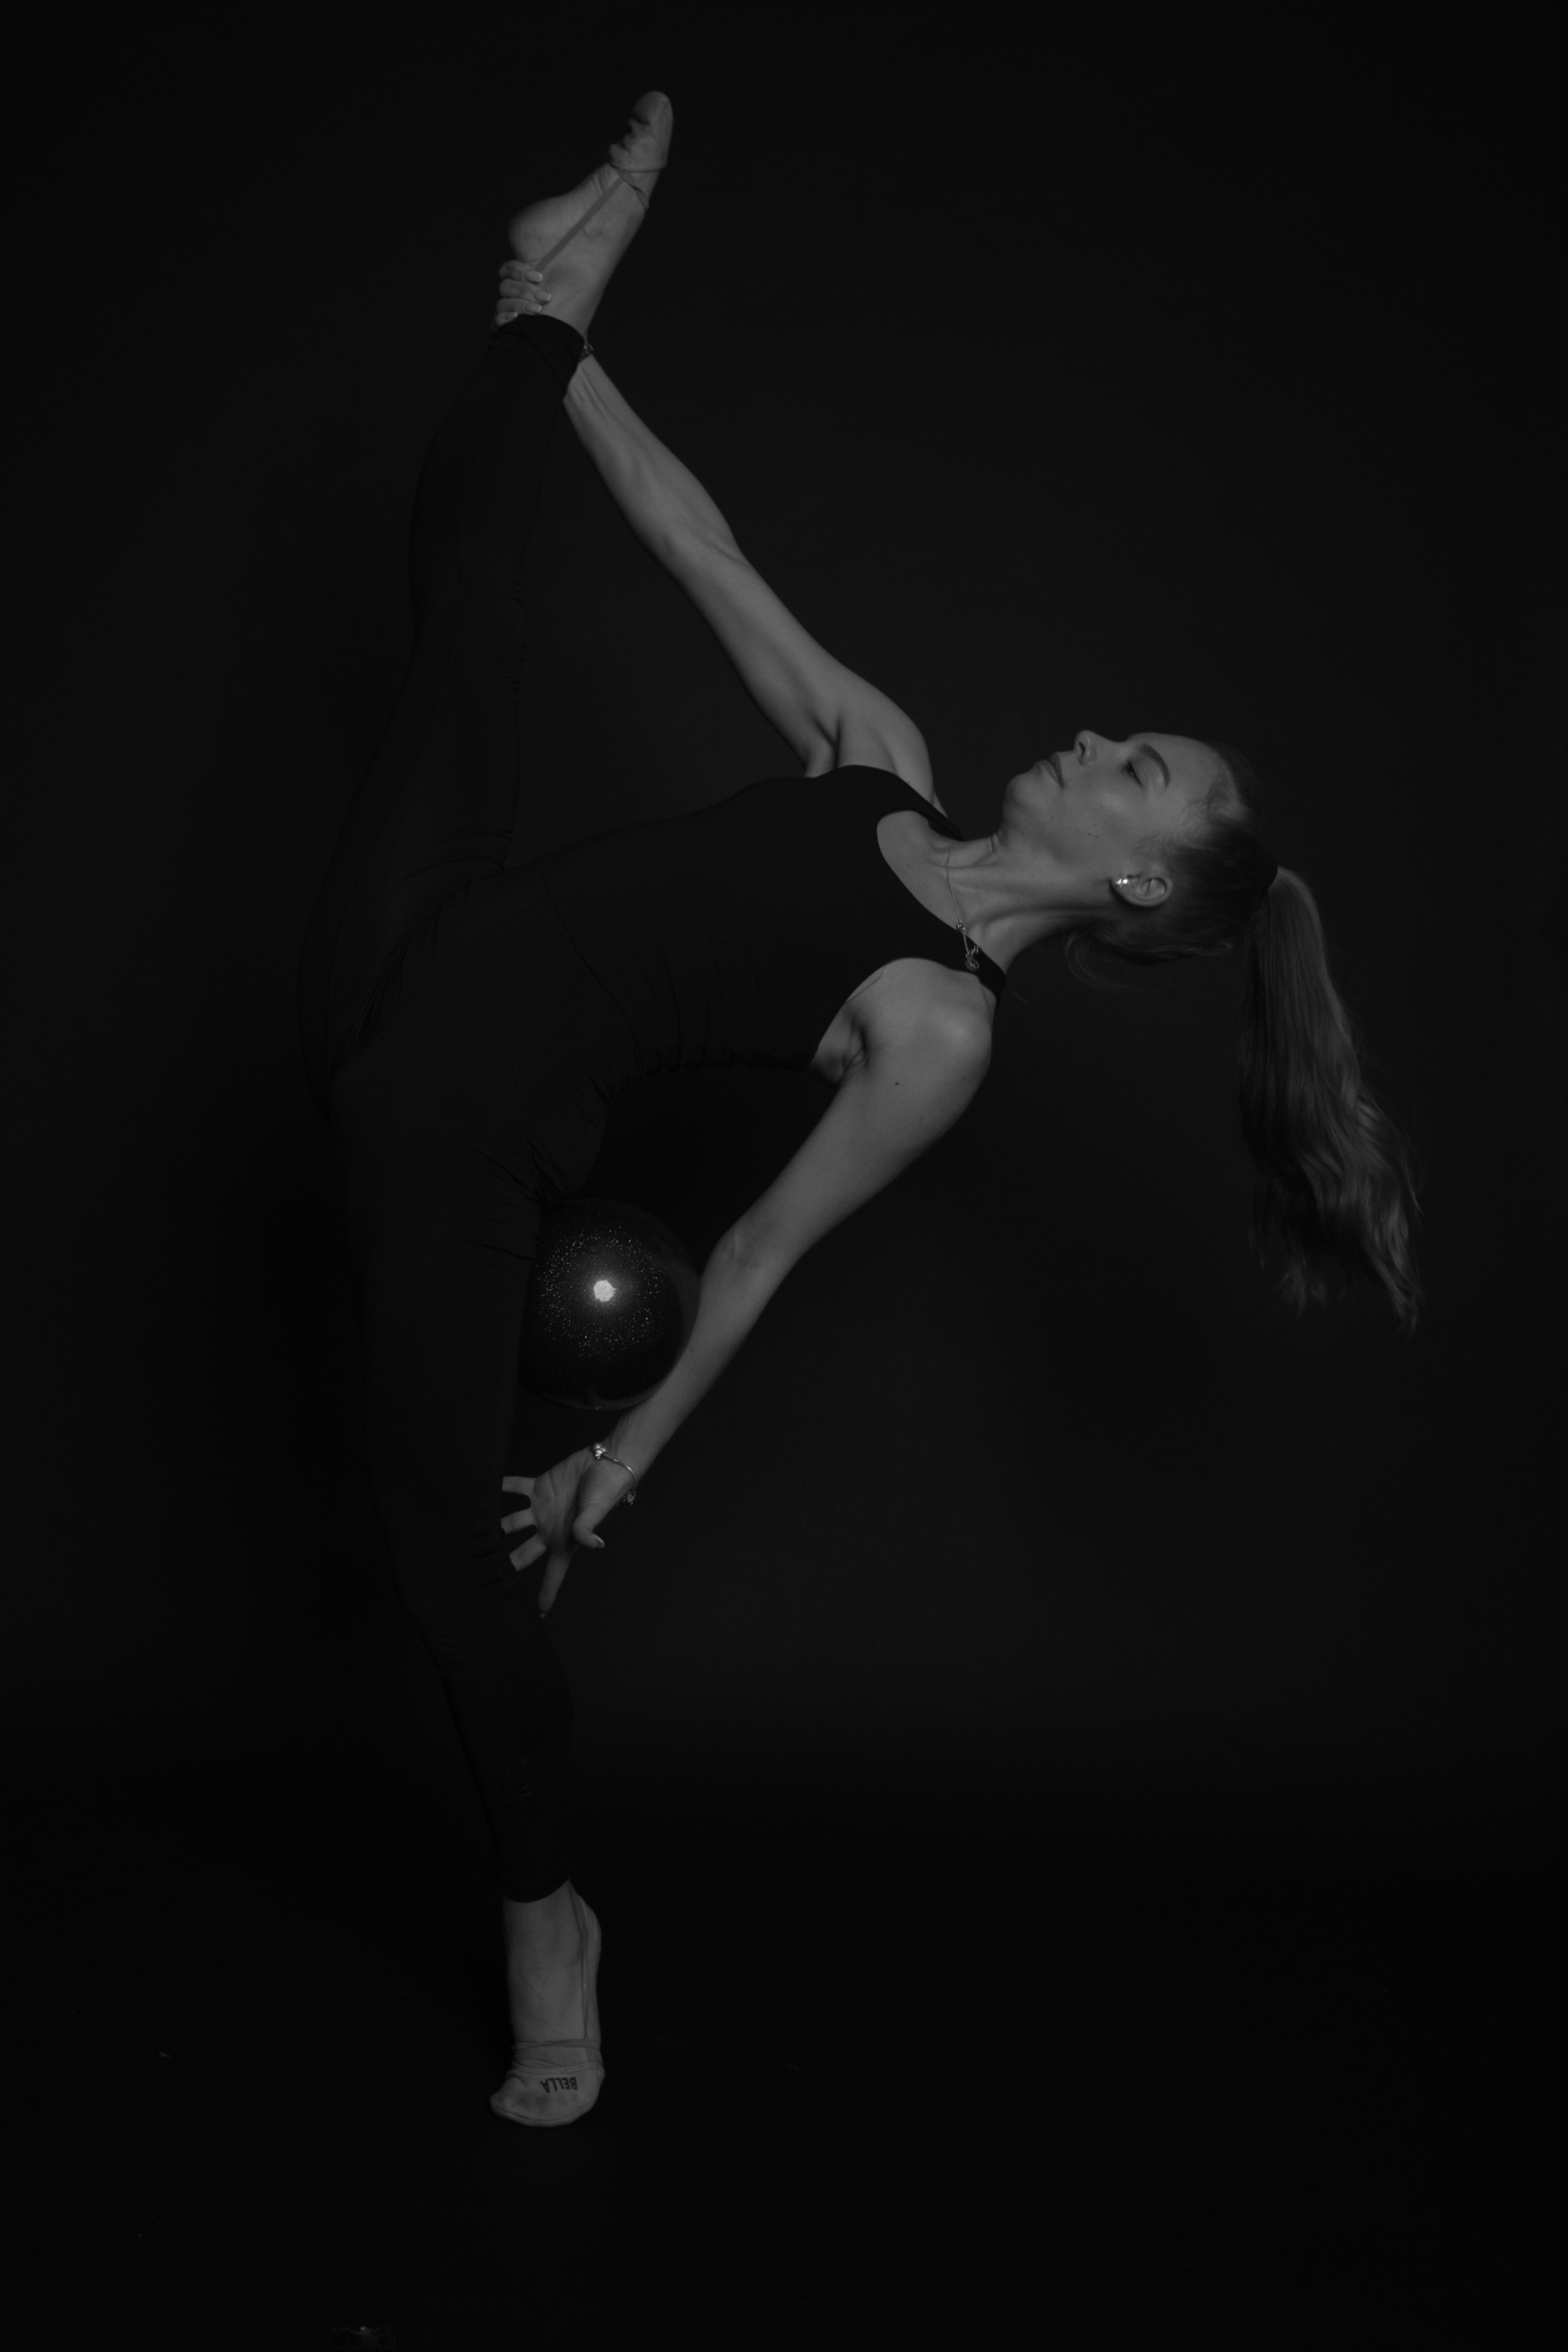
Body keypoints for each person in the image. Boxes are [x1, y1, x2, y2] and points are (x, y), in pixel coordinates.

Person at [298, 92, 1421, 2128]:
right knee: (470, 631)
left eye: (1135, 763)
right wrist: (567, 352)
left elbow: (754, 1251)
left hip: (456, 1145)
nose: (1090, 735)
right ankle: (538, 288)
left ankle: (547, 1916)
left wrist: (618, 1460)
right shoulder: (879, 751)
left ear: (1148, 880)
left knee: (439, 1569)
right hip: (415, 948)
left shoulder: (935, 1028)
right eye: (1121, 733)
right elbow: (690, 535)